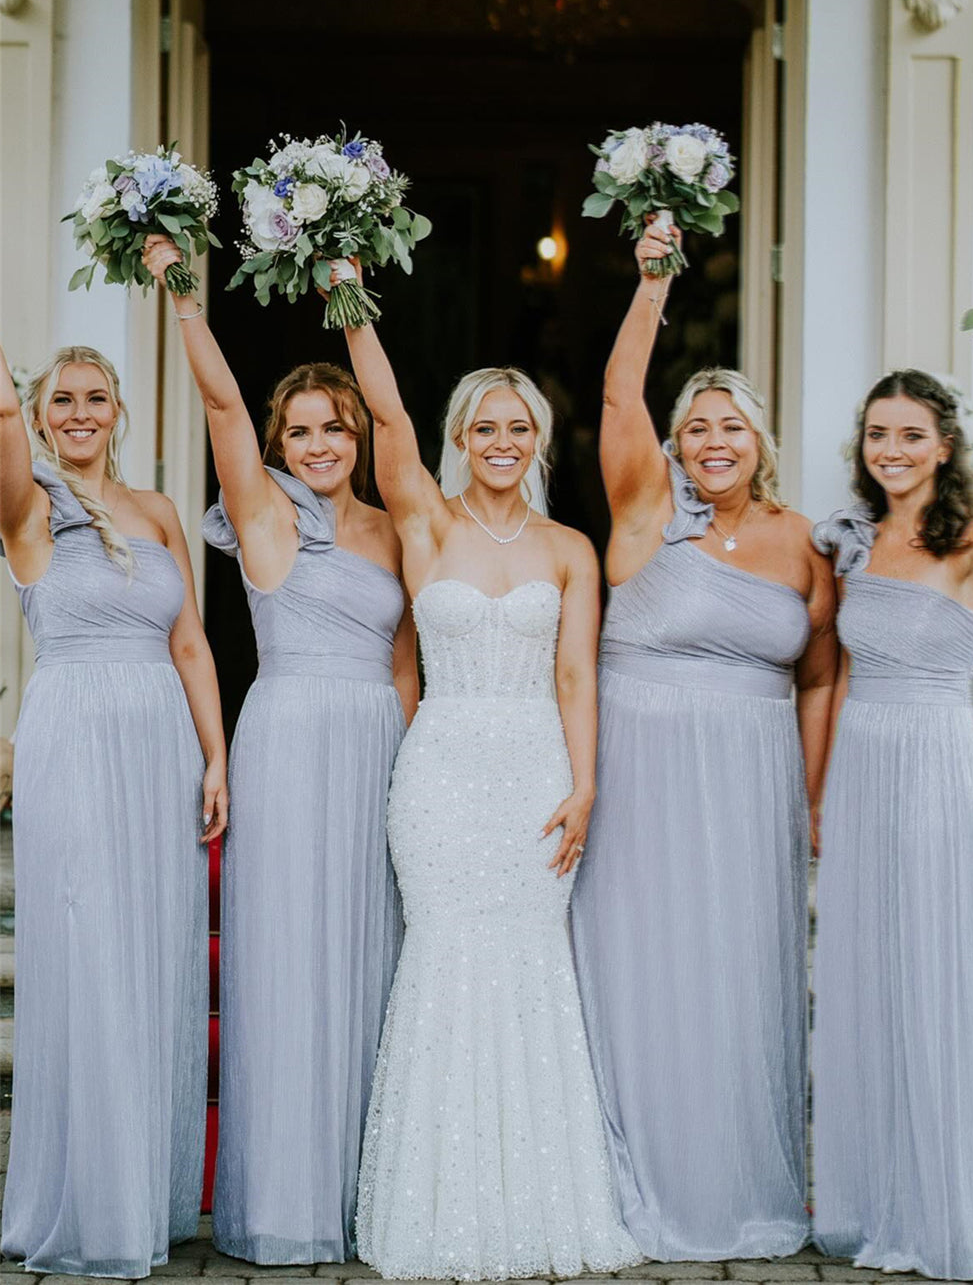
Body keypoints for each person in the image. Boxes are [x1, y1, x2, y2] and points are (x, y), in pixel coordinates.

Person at [339, 277, 641, 1280]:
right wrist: (352, 298)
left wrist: (586, 787)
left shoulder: (569, 548)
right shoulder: (425, 522)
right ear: (459, 437)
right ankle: (436, 1208)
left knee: (526, 968)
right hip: (440, 773)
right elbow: (380, 411)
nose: (501, 442)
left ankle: (540, 1207)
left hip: (535, 776)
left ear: (538, 440)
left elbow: (575, 678)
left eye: (518, 428)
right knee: (447, 961)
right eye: (483, 427)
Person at [143, 235, 417, 1264]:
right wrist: (178, 296)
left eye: (332, 427)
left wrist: (412, 769)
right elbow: (218, 407)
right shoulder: (261, 513)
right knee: (286, 966)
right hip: (291, 741)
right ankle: (285, 1205)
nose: (316, 445)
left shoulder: (396, 531)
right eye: (298, 430)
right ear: (279, 442)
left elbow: (403, 666)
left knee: (370, 964)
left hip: (376, 745)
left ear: (356, 435)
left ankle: (366, 1195)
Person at [571, 215, 837, 1260]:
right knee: (643, 970)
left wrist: (809, 799)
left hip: (751, 785)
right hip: (641, 776)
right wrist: (650, 284)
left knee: (736, 981)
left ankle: (734, 1181)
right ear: (674, 446)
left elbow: (817, 680)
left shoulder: (806, 543)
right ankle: (631, 1174)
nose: (713, 442)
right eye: (696, 429)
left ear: (759, 440)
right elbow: (614, 396)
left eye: (731, 426)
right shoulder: (644, 514)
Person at [0, 342, 225, 1278]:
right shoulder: (31, 510)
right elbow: (5, 439)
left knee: (150, 956)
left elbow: (193, 646)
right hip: (75, 743)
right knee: (89, 955)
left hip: (160, 747)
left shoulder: (161, 512)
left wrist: (217, 757)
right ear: (43, 413)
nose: (81, 413)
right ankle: (90, 1205)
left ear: (119, 411)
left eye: (97, 399)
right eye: (64, 401)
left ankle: (145, 1191)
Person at [811, 369, 973, 1281]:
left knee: (929, 970)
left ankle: (938, 1213)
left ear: (946, 445)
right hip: (861, 765)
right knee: (867, 973)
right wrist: (818, 792)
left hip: (934, 757)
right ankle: (872, 1197)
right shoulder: (855, 542)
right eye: (879, 435)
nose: (892, 451)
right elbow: (837, 674)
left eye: (911, 436)